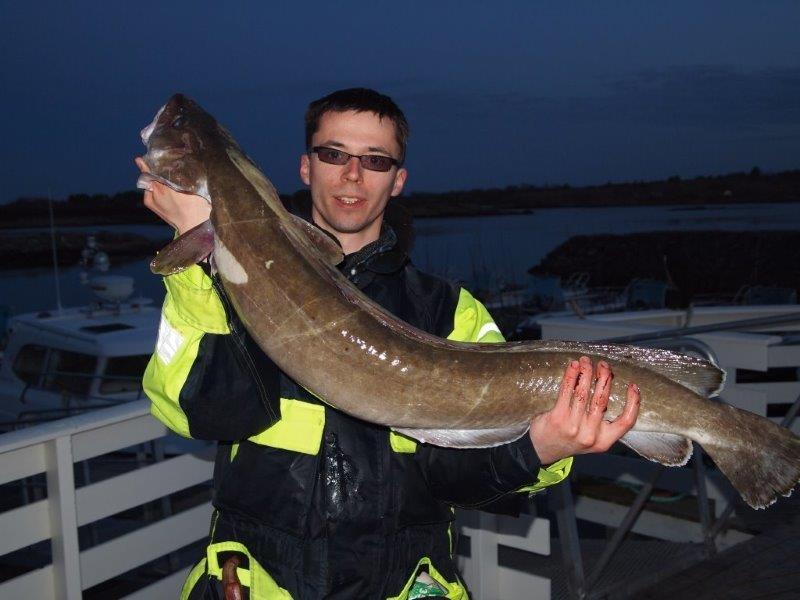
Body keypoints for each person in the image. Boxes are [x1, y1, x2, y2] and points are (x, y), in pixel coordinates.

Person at [137, 88, 640, 600]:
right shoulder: (223, 285)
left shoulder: (450, 310)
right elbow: (207, 414)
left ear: (398, 180)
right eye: (333, 154)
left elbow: (458, 479)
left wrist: (541, 447)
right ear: (306, 167)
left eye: (375, 160)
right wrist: (199, 253)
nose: (353, 175)